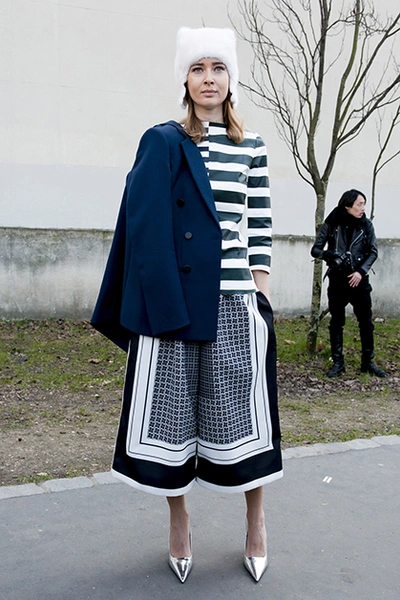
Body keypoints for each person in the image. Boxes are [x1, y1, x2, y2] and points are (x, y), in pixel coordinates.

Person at [91, 26, 283, 583]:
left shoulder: (252, 146)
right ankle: (179, 521)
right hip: (175, 303)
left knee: (245, 415)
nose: (208, 78)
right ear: (185, 79)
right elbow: (147, 224)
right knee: (173, 418)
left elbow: (260, 226)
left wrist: (261, 295)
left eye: (218, 68)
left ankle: (256, 520)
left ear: (231, 78)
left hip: (234, 302)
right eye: (198, 69)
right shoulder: (168, 141)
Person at [311, 189, 386, 378]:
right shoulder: (331, 223)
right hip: (337, 279)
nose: (363, 208)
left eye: (364, 204)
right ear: (347, 205)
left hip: (359, 280)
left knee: (366, 322)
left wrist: (361, 272)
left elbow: (373, 251)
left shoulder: (366, 225)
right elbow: (315, 250)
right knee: (336, 322)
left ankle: (367, 362)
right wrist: (329, 254)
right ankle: (338, 363)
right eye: (359, 204)